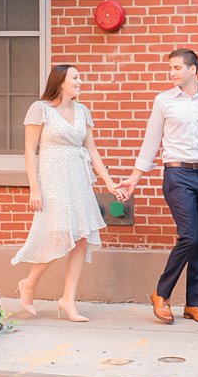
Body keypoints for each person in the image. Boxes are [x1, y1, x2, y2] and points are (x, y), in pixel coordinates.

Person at [114, 47, 198, 325]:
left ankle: (193, 304)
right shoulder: (164, 101)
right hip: (178, 176)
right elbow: (151, 141)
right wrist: (134, 177)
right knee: (190, 236)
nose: (172, 73)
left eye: (177, 68)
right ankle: (161, 293)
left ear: (193, 69)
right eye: (171, 68)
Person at [12, 64, 120, 322]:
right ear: (60, 82)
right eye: (75, 78)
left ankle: (68, 300)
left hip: (79, 179)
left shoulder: (83, 111)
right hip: (52, 179)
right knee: (60, 233)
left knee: (81, 237)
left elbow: (92, 151)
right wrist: (34, 188)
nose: (80, 81)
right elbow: (30, 151)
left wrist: (109, 182)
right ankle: (29, 283)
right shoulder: (41, 109)